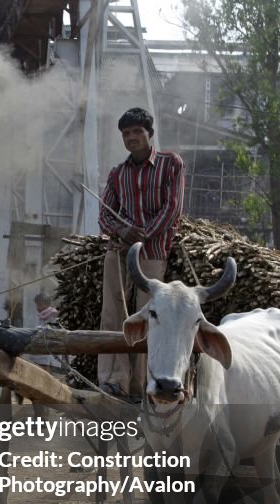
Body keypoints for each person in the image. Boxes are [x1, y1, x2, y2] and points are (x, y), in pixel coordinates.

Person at [98, 107, 185, 399]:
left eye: (137, 132)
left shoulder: (170, 164)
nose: (131, 138)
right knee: (113, 314)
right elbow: (105, 215)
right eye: (126, 134)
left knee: (148, 316)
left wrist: (142, 232)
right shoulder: (117, 173)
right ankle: (113, 380)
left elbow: (172, 208)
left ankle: (142, 383)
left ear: (150, 134)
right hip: (118, 251)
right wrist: (122, 232)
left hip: (152, 252)